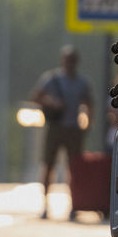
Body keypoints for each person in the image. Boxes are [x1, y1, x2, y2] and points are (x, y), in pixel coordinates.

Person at [32, 45, 93, 220]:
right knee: (48, 165)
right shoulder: (51, 79)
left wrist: (87, 124)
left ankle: (74, 205)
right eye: (67, 60)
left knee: (73, 168)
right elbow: (36, 96)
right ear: (62, 61)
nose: (70, 63)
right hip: (55, 127)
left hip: (73, 128)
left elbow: (89, 103)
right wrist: (51, 103)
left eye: (72, 60)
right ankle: (45, 205)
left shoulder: (82, 82)